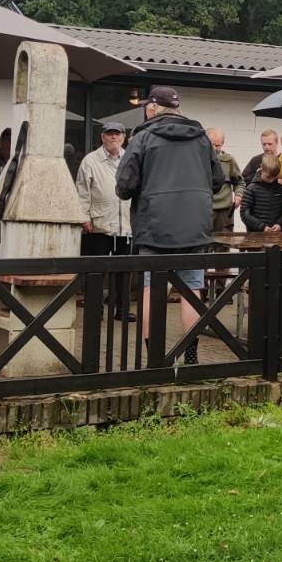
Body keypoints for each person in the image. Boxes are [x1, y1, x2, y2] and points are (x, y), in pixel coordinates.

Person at [115, 85, 221, 362]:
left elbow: (124, 186)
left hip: (154, 225)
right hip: (195, 225)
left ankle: (155, 356)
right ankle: (191, 356)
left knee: (152, 287)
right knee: (192, 288)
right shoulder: (201, 138)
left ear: (152, 108)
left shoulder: (143, 137)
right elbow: (218, 180)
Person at [75, 120, 131, 255]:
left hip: (126, 226)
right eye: (110, 134)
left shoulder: (131, 158)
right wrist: (84, 218)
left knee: (123, 272)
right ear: (102, 137)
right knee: (96, 271)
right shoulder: (90, 160)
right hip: (98, 226)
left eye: (117, 134)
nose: (114, 137)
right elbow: (82, 192)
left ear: (123, 138)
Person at [239, 155, 282, 232]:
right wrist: (261, 226)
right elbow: (244, 214)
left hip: (276, 235)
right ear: (261, 169)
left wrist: (280, 224)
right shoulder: (251, 189)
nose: (271, 180)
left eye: (274, 177)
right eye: (268, 177)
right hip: (255, 235)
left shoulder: (281, 189)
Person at [207, 127, 242, 233]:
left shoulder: (229, 160)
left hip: (224, 212)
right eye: (211, 144)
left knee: (223, 246)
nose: (214, 148)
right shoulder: (199, 160)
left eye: (217, 145)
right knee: (204, 246)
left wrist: (238, 195)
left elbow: (240, 182)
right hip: (205, 210)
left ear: (223, 143)